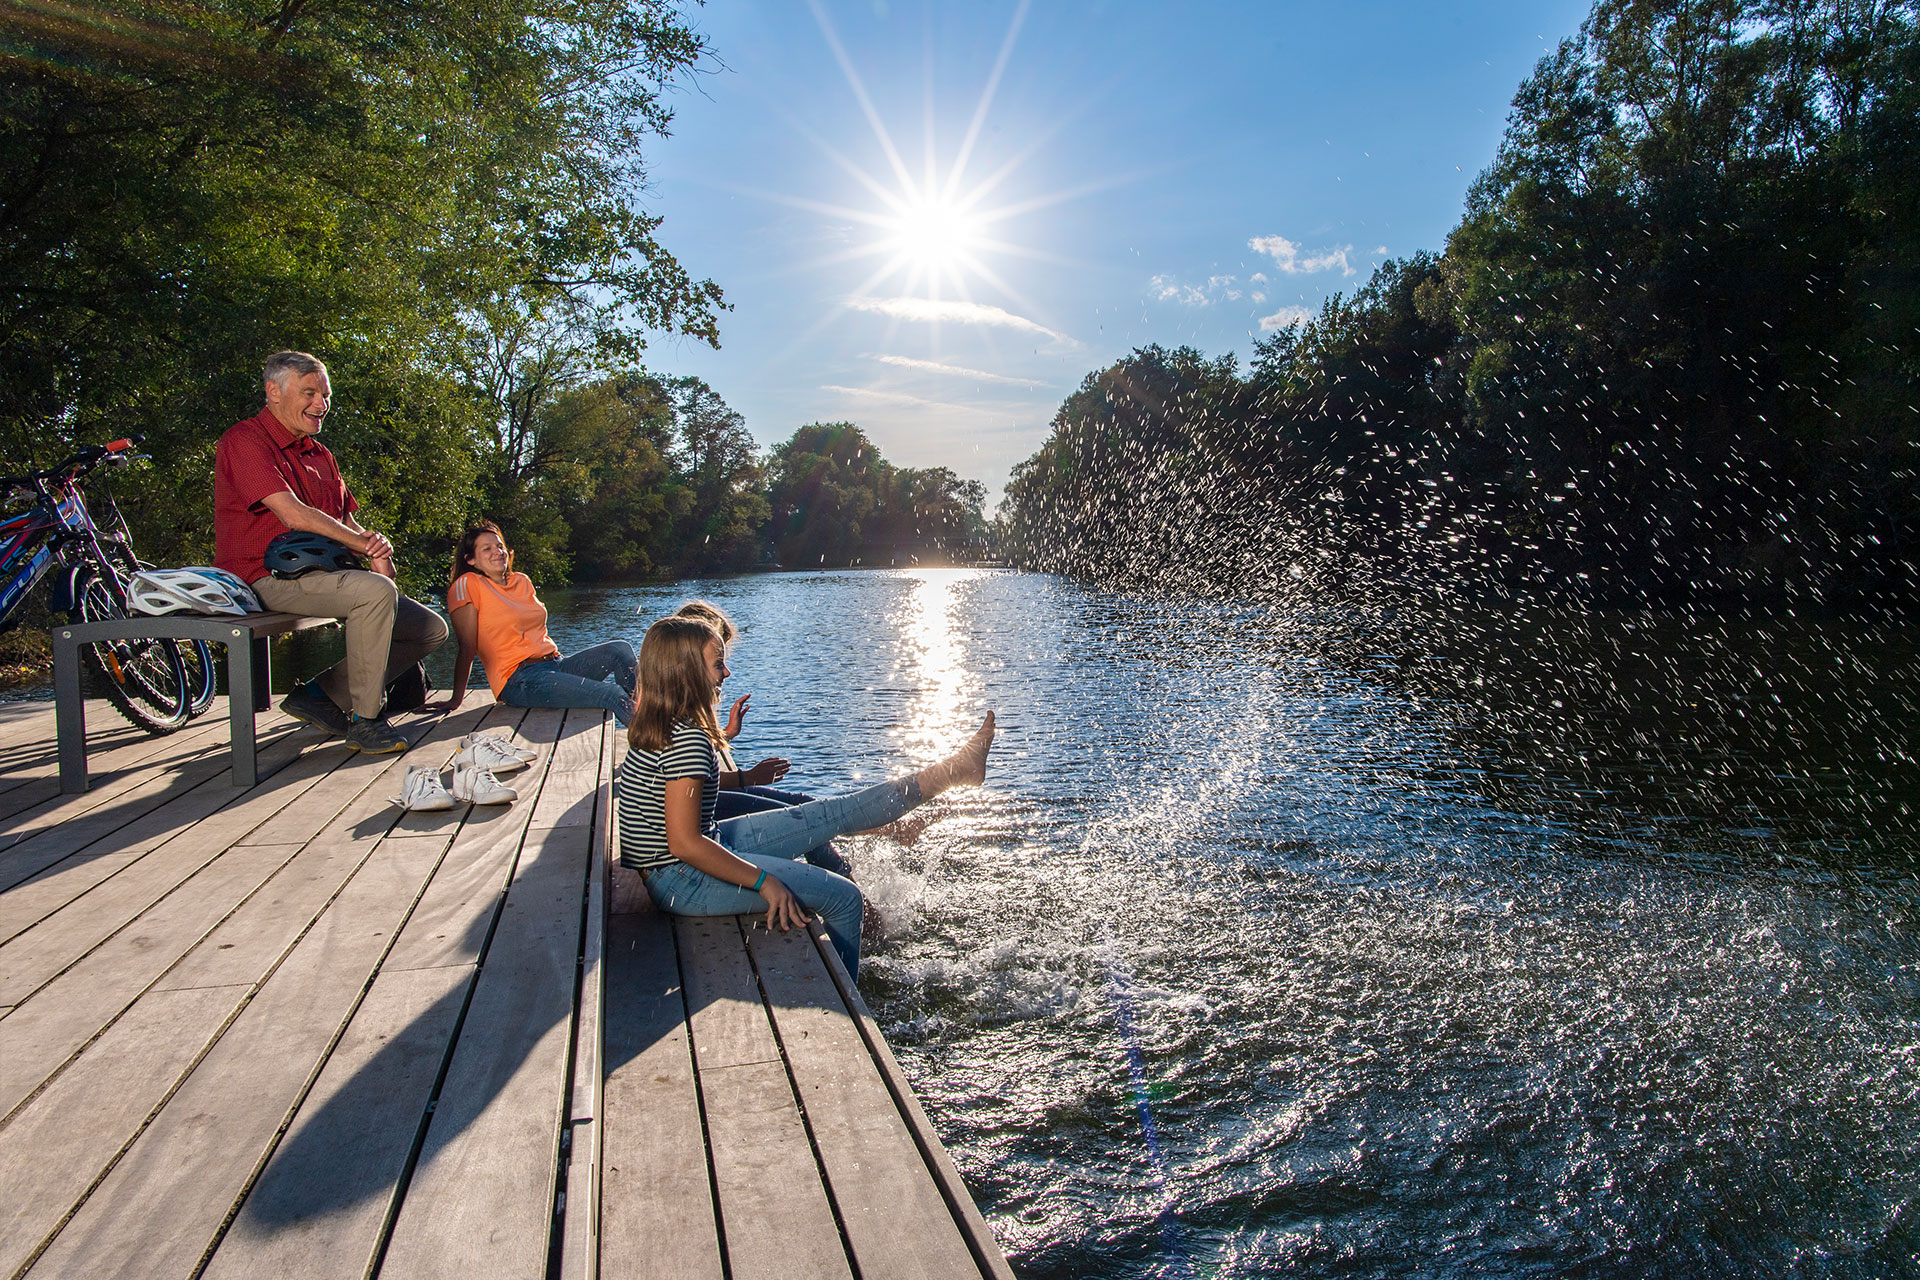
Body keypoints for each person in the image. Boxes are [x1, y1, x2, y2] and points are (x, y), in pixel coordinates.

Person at [617, 614, 993, 977]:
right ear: (686, 673)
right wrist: (764, 881)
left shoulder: (664, 724)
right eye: (718, 664)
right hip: (682, 880)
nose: (726, 673)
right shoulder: (688, 739)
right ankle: (849, 1008)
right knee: (846, 899)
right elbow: (684, 843)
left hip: (684, 860)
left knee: (828, 814)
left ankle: (953, 771)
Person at [214, 350, 447, 754]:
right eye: (309, 393)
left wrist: (375, 545)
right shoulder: (244, 440)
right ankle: (367, 720)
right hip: (262, 578)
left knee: (428, 628)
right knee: (374, 593)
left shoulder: (321, 455)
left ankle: (321, 696)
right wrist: (361, 547)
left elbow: (346, 522)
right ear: (273, 391)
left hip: (325, 572)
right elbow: (292, 513)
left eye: (326, 396)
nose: (321, 405)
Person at [434, 521, 637, 722]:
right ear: (471, 560)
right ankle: (655, 745)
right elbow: (467, 646)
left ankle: (657, 721)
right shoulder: (468, 584)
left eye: (499, 546)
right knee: (612, 694)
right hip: (519, 679)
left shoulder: (521, 581)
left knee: (620, 650)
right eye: (487, 549)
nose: (497, 552)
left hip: (556, 664)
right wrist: (456, 699)